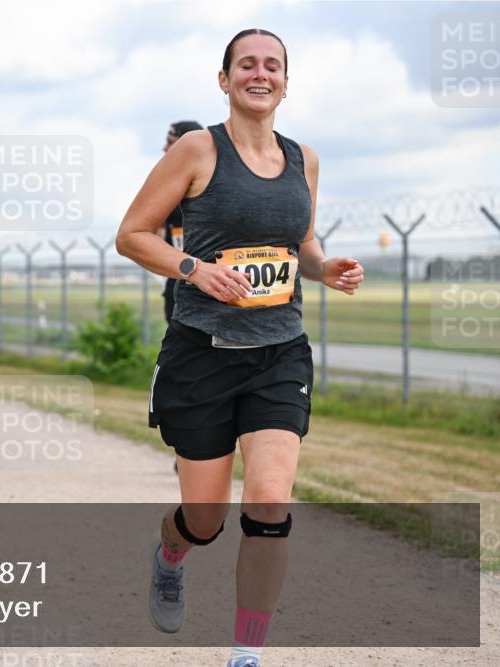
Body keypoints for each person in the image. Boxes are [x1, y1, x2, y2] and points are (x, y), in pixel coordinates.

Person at [115, 29, 364, 667]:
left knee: (271, 499)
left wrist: (324, 269)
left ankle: (246, 654)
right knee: (205, 519)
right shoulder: (199, 149)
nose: (261, 74)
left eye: (272, 65)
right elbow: (132, 234)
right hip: (202, 353)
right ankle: (171, 554)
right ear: (224, 80)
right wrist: (194, 269)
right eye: (246, 64)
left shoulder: (305, 159)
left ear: (286, 81)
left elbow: (300, 246)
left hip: (279, 352)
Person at [161, 120, 203, 323]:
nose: (164, 148)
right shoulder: (166, 184)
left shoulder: (215, 182)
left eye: (170, 142)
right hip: (178, 277)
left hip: (211, 282)